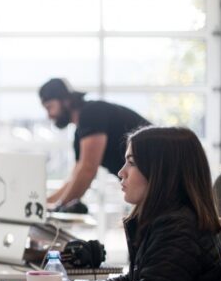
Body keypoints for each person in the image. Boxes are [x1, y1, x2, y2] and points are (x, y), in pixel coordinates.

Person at [67, 126, 221, 281]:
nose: (121, 172)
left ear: (160, 171)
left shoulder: (179, 229)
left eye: (131, 162)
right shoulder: (165, 221)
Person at [38, 78, 150, 212]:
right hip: (150, 186)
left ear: (65, 101)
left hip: (163, 181)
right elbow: (75, 178)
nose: (49, 115)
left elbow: (88, 169)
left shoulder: (91, 114)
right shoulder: (80, 132)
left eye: (50, 107)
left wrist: (59, 207)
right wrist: (44, 206)